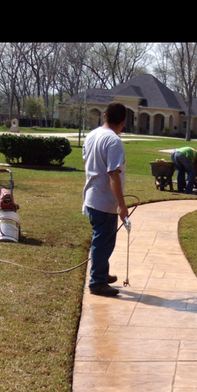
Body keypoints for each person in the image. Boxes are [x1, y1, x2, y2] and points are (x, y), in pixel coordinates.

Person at [82, 101, 129, 295]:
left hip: (92, 197)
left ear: (104, 116)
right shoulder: (113, 141)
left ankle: (101, 271)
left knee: (103, 239)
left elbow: (86, 162)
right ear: (123, 122)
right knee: (103, 242)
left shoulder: (92, 135)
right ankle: (97, 282)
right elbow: (113, 174)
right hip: (104, 200)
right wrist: (121, 205)